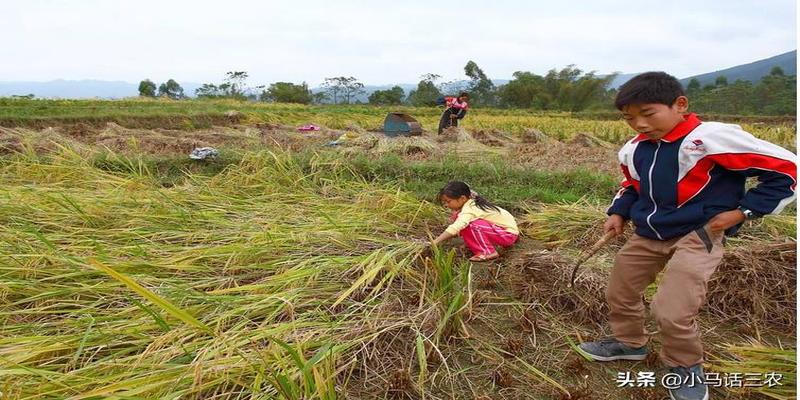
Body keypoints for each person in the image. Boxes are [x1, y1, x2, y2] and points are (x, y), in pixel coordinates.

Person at [577, 72, 796, 400]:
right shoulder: (635, 150)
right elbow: (633, 187)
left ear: (680, 105)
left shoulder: (710, 140)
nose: (639, 124)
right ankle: (629, 343)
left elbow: (787, 170)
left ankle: (684, 366)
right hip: (648, 232)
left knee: (672, 309)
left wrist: (743, 212)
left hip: (699, 234)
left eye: (648, 113)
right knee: (620, 291)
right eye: (628, 117)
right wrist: (618, 212)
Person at [431, 181, 519, 261]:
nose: (446, 205)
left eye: (448, 201)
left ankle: (488, 252)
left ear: (462, 198)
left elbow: (456, 227)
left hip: (508, 235)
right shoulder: (471, 203)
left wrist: (435, 242)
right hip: (501, 232)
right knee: (460, 219)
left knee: (470, 225)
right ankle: (477, 244)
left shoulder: (470, 209)